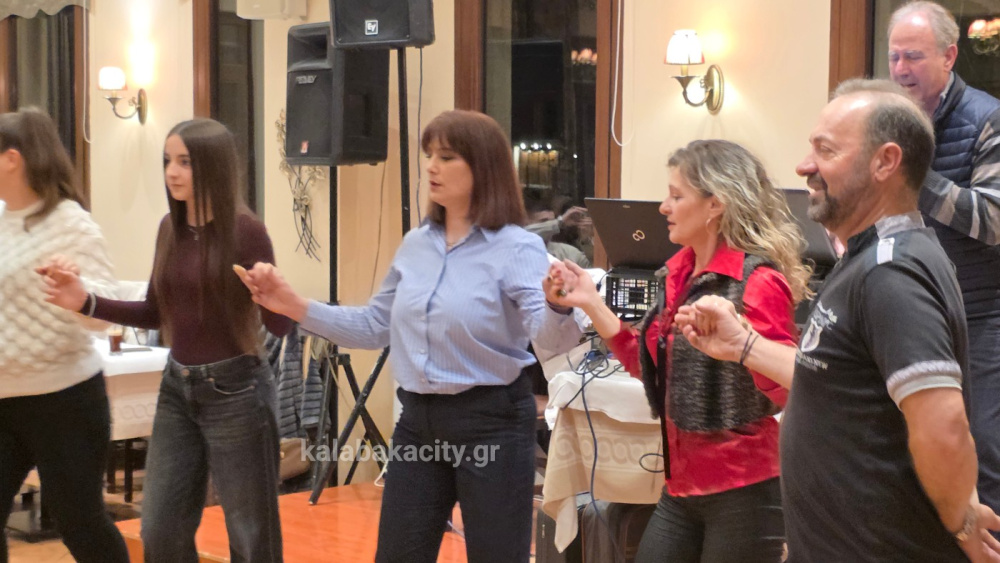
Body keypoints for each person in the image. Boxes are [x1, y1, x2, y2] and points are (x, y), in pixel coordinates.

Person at [234, 109, 583, 563]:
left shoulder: (517, 247)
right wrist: (294, 306)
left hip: (492, 423)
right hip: (418, 423)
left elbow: (553, 341)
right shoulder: (417, 244)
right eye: (429, 155)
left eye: (447, 157)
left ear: (483, 168)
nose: (431, 167)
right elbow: (374, 326)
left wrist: (558, 304)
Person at [675, 79, 1000, 562]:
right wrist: (744, 345)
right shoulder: (866, 258)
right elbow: (834, 378)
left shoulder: (892, 272)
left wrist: (962, 524)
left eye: (825, 151)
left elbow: (945, 427)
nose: (804, 166)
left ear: (885, 162)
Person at [39, 118, 293, 563]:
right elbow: (154, 313)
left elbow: (280, 327)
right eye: (167, 161)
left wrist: (272, 295)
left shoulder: (246, 231)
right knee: (159, 528)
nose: (172, 172)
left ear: (213, 166)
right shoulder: (169, 229)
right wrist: (85, 301)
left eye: (185, 162)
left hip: (237, 392)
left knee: (250, 536)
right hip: (178, 388)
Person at [548, 139, 811, 562]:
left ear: (714, 205)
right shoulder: (678, 274)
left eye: (676, 196)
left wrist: (743, 344)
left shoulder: (758, 281)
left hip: (745, 490)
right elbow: (652, 370)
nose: (663, 207)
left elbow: (788, 389)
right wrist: (591, 303)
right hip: (681, 487)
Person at [0, 109, 129, 563]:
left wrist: (77, 292)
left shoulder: (69, 222)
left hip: (64, 400)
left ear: (11, 159)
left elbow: (104, 313)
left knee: (79, 523)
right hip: (4, 398)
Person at [887, 1, 1000, 515]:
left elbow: (993, 220)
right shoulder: (886, 120)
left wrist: (916, 177)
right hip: (909, 309)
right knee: (911, 448)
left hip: (980, 315)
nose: (900, 69)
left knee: (985, 452)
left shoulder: (987, 118)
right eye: (894, 57)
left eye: (913, 56)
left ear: (949, 56)